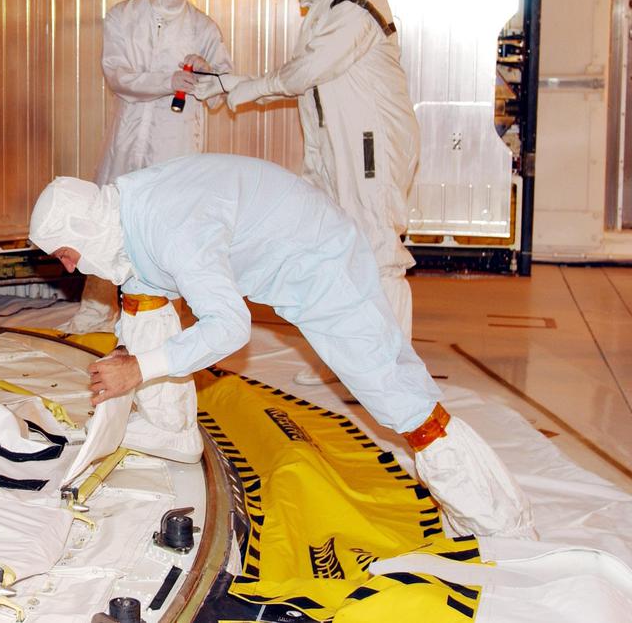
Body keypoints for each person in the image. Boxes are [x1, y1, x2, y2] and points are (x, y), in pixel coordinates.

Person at [29, 153, 534, 539]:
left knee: (400, 401)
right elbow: (142, 268)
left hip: (319, 259)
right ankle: (170, 427)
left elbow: (230, 327)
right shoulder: (126, 206)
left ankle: (501, 525)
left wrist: (141, 369)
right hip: (278, 242)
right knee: (140, 295)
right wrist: (131, 352)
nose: (71, 268)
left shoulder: (173, 231)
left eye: (68, 254)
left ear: (83, 230)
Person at [217, 0, 419, 342]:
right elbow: (305, 74)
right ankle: (350, 357)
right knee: (332, 246)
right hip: (337, 145)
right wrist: (228, 83)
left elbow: (311, 69)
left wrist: (252, 90)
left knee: (378, 249)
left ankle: (393, 371)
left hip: (368, 146)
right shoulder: (332, 3)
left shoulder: (354, 2)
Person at [64, 0, 235, 335]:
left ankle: (168, 316)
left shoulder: (202, 26)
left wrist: (205, 71)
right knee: (113, 216)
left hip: (176, 140)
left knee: (171, 223)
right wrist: (164, 81)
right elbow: (118, 75)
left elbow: (224, 83)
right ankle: (96, 308)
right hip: (129, 134)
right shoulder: (123, 17)